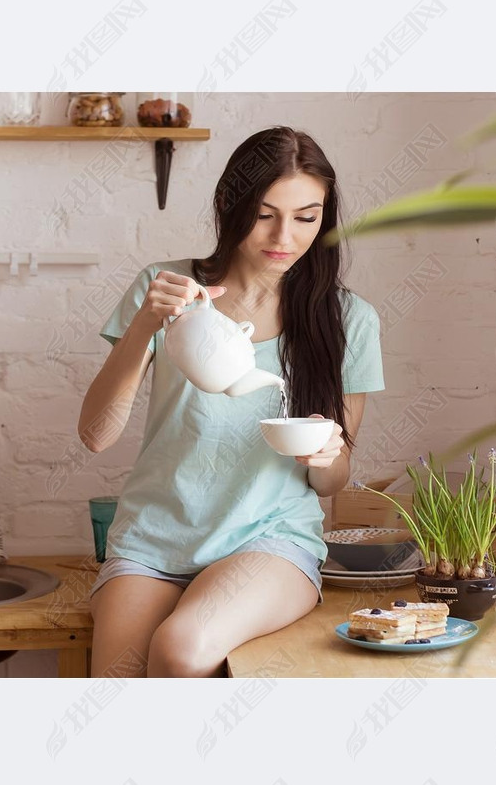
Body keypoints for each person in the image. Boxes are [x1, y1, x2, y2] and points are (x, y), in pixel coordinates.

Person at [80, 126, 384, 677]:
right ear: (230, 204)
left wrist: (324, 455)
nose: (284, 236)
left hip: (268, 541)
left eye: (306, 217)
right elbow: (96, 434)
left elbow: (334, 481)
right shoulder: (165, 289)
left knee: (182, 647)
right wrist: (146, 323)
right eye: (265, 214)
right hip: (153, 540)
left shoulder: (348, 321)